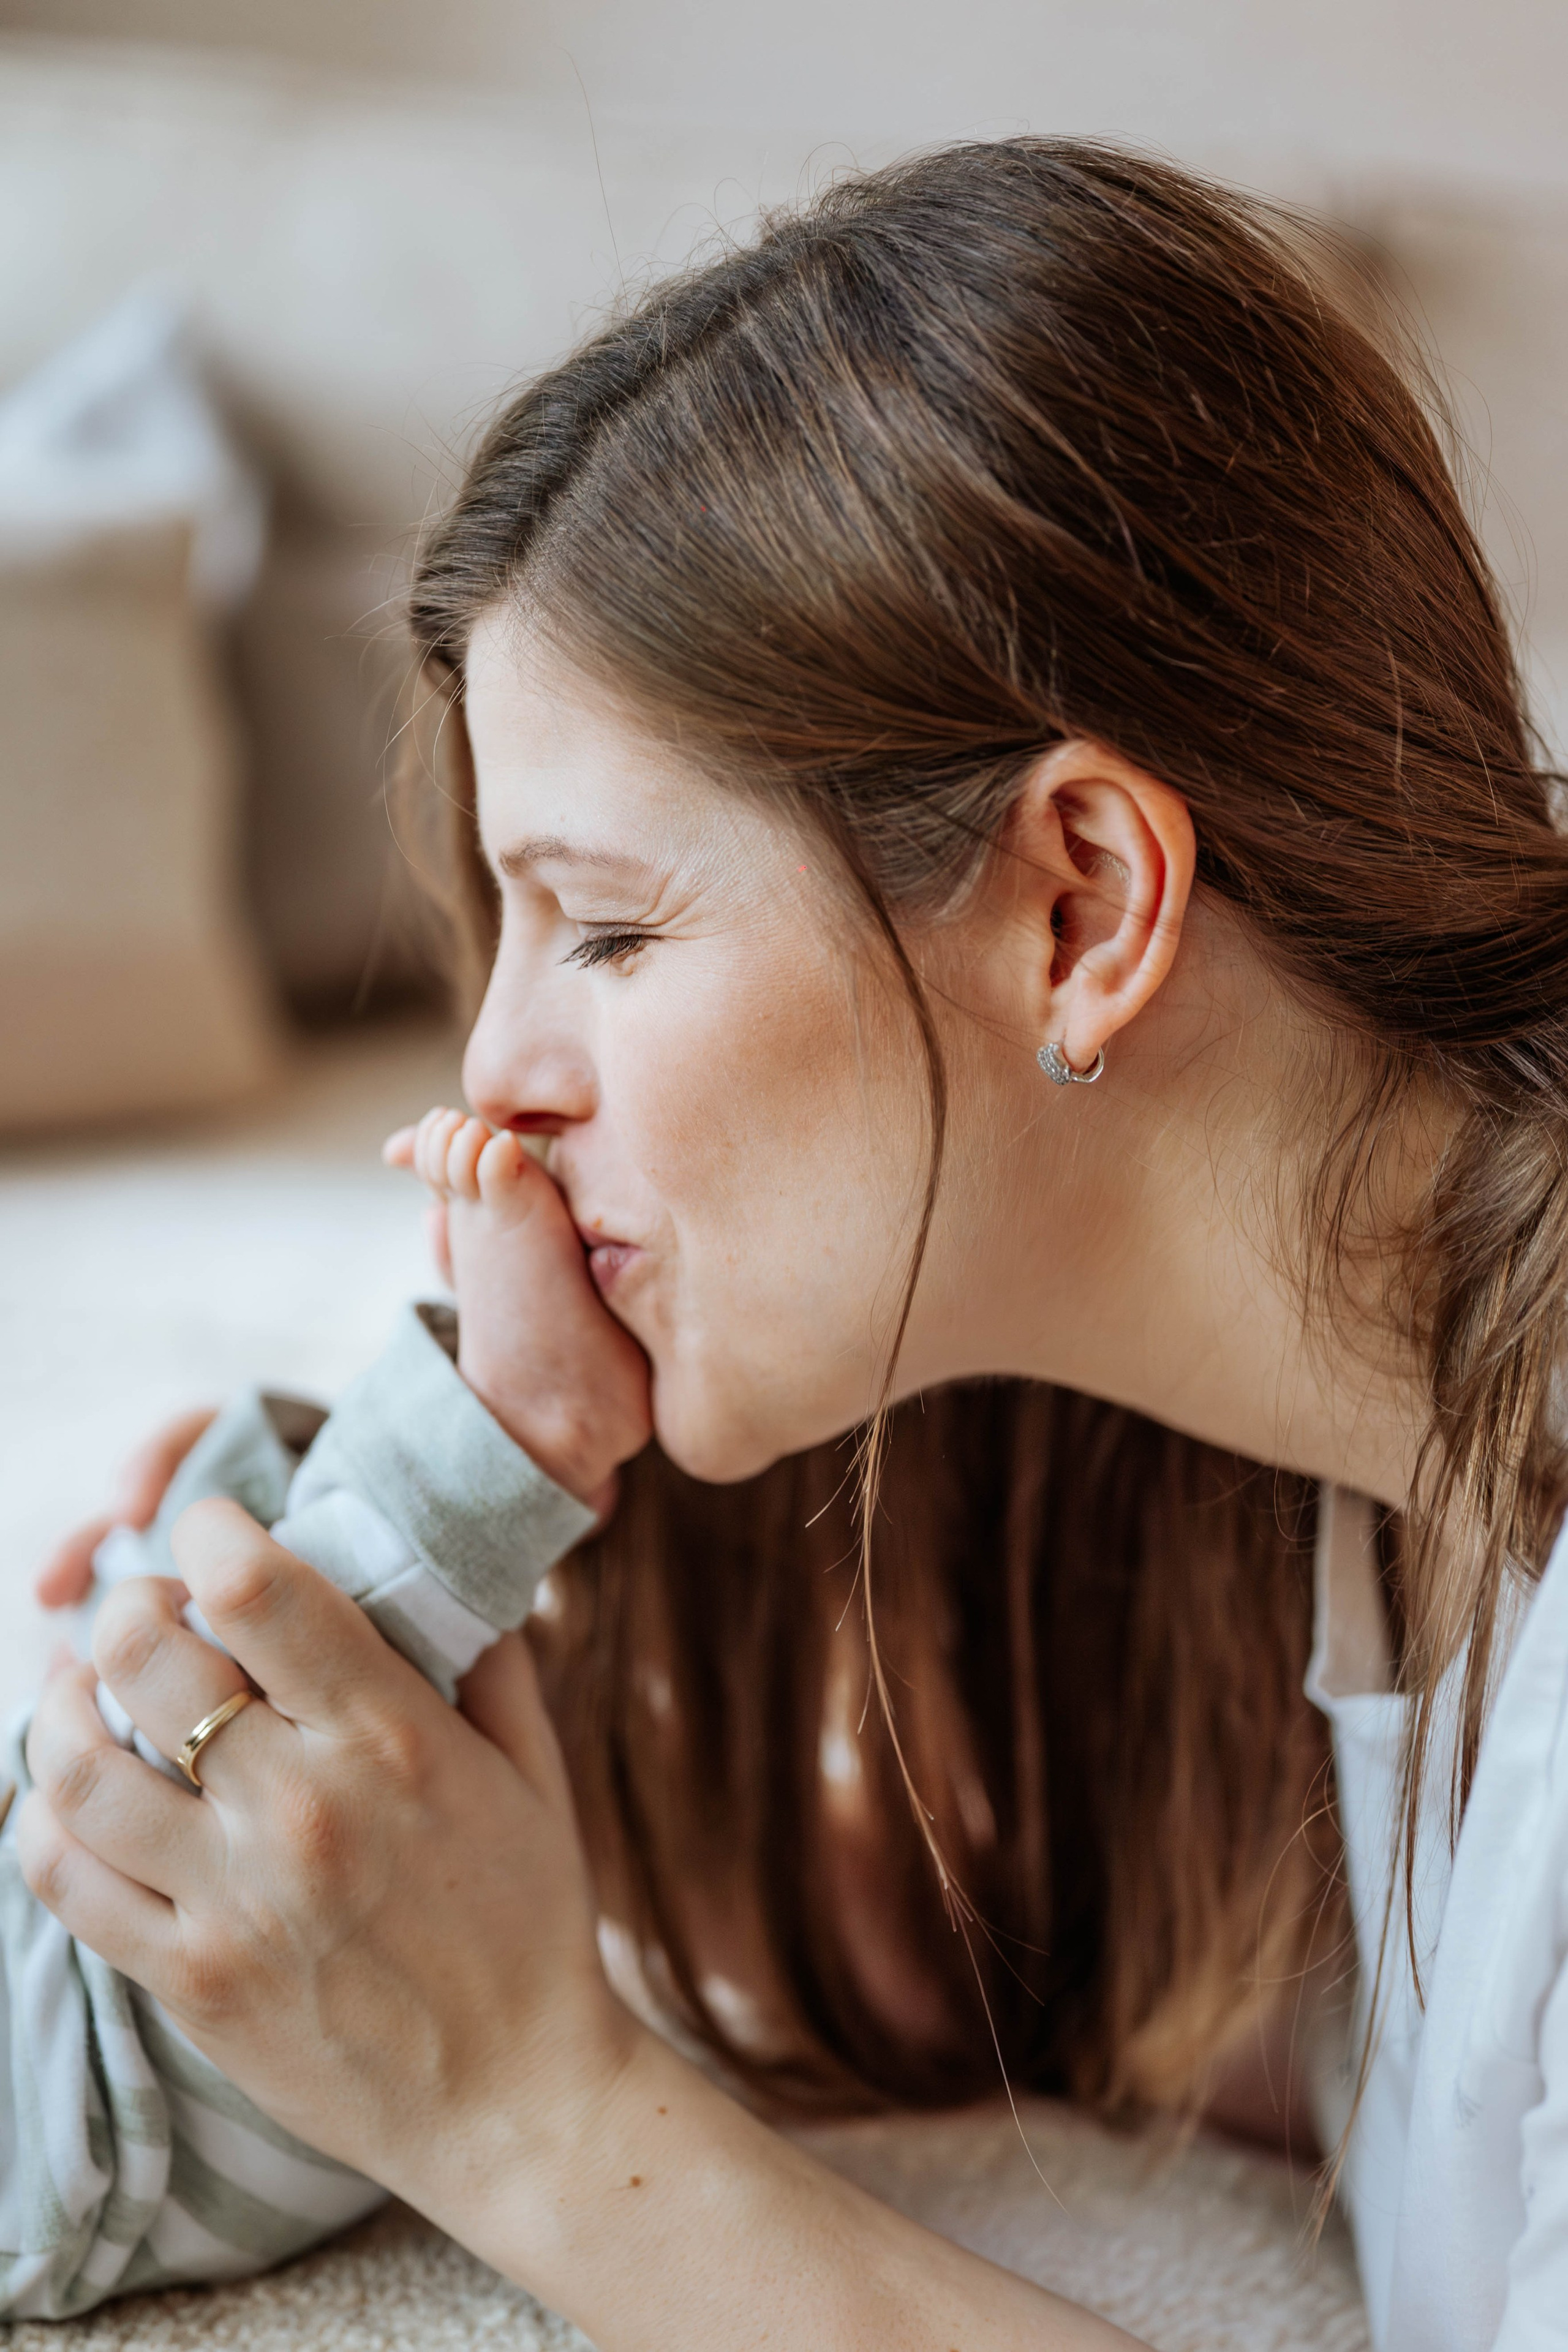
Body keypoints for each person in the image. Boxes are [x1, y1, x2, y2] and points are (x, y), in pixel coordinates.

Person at [16, 137, 1568, 2350]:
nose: (485, 1079)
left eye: (615, 925)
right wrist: (463, 1852)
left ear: (1087, 905)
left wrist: (528, 2102)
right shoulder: (1396, 1473)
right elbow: (1448, 2092)